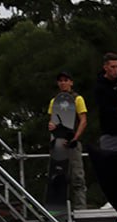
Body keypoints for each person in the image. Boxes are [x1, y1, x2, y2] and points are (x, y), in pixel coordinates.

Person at [47, 71, 88, 211]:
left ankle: (81, 208)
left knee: (77, 177)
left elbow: (83, 120)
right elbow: (52, 120)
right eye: (60, 81)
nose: (63, 83)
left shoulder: (77, 99)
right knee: (58, 176)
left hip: (72, 142)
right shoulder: (54, 101)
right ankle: (58, 209)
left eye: (66, 80)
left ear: (71, 82)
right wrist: (52, 127)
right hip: (58, 143)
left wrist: (75, 138)